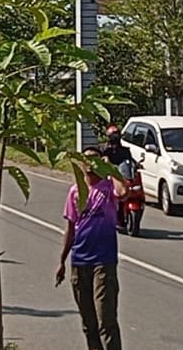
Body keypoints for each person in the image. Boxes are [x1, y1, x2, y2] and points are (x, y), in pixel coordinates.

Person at [57, 147, 128, 350]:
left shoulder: (108, 188)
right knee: (89, 324)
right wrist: (62, 261)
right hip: (79, 262)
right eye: (86, 159)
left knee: (106, 320)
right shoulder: (75, 192)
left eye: (95, 159)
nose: (90, 163)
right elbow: (70, 228)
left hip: (103, 262)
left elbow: (123, 192)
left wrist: (111, 169)